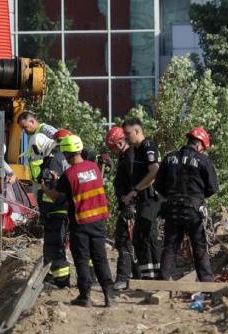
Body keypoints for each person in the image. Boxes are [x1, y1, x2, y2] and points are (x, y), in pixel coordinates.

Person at [45, 134, 113, 308]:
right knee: (100, 259)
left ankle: (85, 296)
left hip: (81, 223)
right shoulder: (95, 168)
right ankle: (109, 296)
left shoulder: (68, 174)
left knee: (82, 259)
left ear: (66, 153)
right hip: (99, 221)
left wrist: (45, 186)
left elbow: (57, 197)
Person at [157, 127, 219, 281]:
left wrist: (171, 195)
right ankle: (206, 283)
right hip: (194, 210)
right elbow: (212, 187)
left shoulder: (169, 157)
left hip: (172, 208)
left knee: (170, 247)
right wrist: (197, 197)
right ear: (199, 145)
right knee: (199, 248)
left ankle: (162, 280)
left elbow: (158, 185)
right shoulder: (203, 160)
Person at [120, 117, 161, 280]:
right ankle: (149, 275)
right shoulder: (135, 150)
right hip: (143, 199)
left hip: (150, 197)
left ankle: (156, 276)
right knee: (141, 237)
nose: (125, 137)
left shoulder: (148, 146)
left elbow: (154, 171)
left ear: (137, 131)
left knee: (146, 236)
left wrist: (135, 190)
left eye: (128, 133)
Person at [30, 133, 71, 288]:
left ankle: (60, 280)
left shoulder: (53, 159)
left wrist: (44, 184)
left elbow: (52, 187)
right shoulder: (59, 157)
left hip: (55, 211)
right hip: (57, 210)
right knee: (54, 246)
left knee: (55, 246)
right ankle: (53, 277)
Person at [103, 126, 135, 289]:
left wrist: (130, 204)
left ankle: (123, 278)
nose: (113, 151)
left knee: (124, 241)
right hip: (127, 206)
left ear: (121, 142)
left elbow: (134, 183)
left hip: (130, 207)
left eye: (113, 147)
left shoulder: (130, 158)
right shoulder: (126, 157)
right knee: (130, 242)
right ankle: (137, 277)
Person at [18, 110, 58, 176]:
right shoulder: (33, 136)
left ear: (32, 122)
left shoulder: (45, 129)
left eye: (25, 127)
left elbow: (61, 140)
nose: (23, 131)